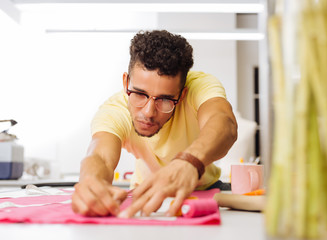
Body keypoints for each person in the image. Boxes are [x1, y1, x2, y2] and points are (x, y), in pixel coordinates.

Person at [71, 30, 238, 218]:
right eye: (140, 94)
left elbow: (225, 123)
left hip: (207, 191)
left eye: (165, 100)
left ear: (181, 95)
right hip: (144, 195)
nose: (148, 112)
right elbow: (100, 155)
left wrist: (190, 162)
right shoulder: (115, 110)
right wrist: (91, 181)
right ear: (126, 82)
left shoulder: (199, 86)